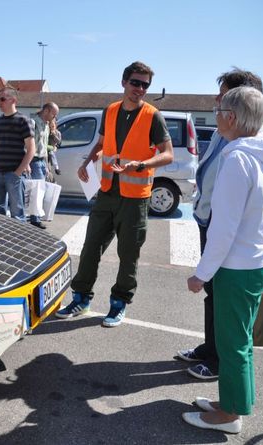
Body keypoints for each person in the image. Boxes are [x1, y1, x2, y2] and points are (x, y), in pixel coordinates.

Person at [183, 86, 263, 434]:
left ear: (233, 118)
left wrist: (200, 274)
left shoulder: (238, 158)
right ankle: (236, 401)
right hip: (260, 261)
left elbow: (223, 228)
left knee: (232, 344)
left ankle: (228, 416)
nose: (216, 113)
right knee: (241, 341)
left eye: (220, 109)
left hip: (238, 268)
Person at [55, 61, 173, 327]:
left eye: (145, 85)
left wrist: (142, 164)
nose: (140, 89)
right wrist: (87, 163)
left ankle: (118, 305)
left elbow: (168, 154)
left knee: (128, 255)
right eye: (135, 83)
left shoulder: (153, 116)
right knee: (90, 249)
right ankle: (81, 299)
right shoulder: (110, 111)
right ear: (123, 82)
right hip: (107, 193)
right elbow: (101, 143)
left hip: (135, 198)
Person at [0, 86, 36, 222]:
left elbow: (31, 149)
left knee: (17, 214)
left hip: (13, 175)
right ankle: (1, 241)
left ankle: (19, 242)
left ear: (13, 100)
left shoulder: (23, 121)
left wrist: (18, 172)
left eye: (2, 99)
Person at [28, 102, 59, 228]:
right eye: (53, 114)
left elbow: (45, 147)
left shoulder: (46, 125)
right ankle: (35, 219)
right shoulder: (32, 122)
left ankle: (35, 216)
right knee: (37, 191)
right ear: (46, 111)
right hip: (33, 160)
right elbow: (28, 144)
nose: (54, 117)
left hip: (41, 161)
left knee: (40, 190)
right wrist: (27, 163)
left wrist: (47, 167)